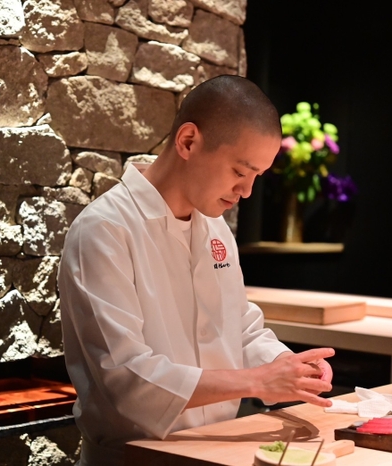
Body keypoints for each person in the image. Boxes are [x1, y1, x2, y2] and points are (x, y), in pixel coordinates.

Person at [58, 75, 335, 466]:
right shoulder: (104, 229)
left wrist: (288, 367)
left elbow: (240, 331)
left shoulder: (215, 228)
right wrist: (258, 381)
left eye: (257, 176)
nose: (247, 192)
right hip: (134, 457)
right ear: (188, 141)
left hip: (218, 448)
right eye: (240, 171)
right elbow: (126, 377)